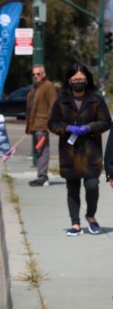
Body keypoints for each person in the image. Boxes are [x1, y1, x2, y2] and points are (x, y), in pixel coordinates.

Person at [48, 63, 112, 236]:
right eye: (75, 79)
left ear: (87, 80)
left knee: (92, 186)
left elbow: (106, 122)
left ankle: (91, 216)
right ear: (69, 81)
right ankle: (75, 223)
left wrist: (89, 128)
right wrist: (67, 128)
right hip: (69, 154)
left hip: (91, 152)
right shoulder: (61, 101)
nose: (78, 81)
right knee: (72, 188)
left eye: (81, 79)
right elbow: (52, 123)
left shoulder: (96, 100)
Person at [25, 64, 58, 187]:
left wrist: (50, 125)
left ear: (43, 74)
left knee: (43, 151)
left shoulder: (48, 86)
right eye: (33, 74)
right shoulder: (36, 88)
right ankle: (41, 175)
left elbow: (53, 106)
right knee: (39, 151)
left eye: (38, 74)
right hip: (35, 125)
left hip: (43, 125)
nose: (35, 76)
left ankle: (43, 177)